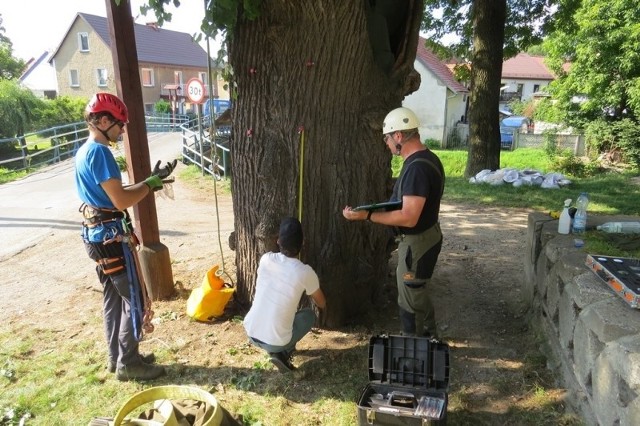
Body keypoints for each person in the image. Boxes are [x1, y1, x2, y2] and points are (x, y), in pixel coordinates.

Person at [75, 92, 176, 381]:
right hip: (111, 239)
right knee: (136, 299)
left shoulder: (84, 150)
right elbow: (120, 201)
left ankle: (115, 356)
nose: (122, 130)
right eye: (120, 124)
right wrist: (150, 186)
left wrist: (147, 182)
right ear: (103, 120)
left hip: (96, 237)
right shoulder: (100, 152)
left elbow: (109, 194)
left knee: (113, 299)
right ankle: (128, 364)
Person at [342, 107, 445, 338]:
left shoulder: (417, 168)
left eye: (387, 138)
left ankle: (415, 346)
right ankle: (430, 337)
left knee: (410, 296)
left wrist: (367, 216)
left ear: (398, 136)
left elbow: (409, 217)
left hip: (418, 242)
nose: (387, 143)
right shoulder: (427, 159)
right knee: (416, 290)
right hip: (425, 237)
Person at [243, 217, 327, 373]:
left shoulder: (265, 259)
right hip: (275, 341)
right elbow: (321, 303)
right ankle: (283, 352)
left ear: (278, 241)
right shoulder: (305, 272)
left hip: (251, 332)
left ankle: (277, 347)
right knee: (307, 315)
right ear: (303, 243)